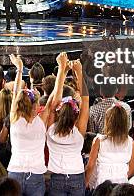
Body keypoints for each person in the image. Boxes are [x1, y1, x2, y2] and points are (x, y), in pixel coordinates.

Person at [6, 53, 57, 196]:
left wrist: (20, 69)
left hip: (15, 173)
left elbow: (16, 93)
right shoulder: (41, 120)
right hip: (35, 175)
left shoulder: (15, 119)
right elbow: (53, 97)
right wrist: (62, 72)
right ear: (35, 106)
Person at [46, 55, 90, 196]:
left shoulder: (51, 130)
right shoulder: (78, 131)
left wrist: (62, 71)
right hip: (76, 177)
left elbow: (53, 103)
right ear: (76, 115)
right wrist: (79, 72)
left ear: (59, 112)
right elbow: (86, 100)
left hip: (56, 177)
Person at [86, 102, 134, 189]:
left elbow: (90, 166)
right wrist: (120, 175)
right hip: (121, 186)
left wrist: (85, 182)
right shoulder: (130, 141)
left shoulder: (99, 140)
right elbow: (133, 168)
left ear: (108, 121)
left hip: (102, 186)